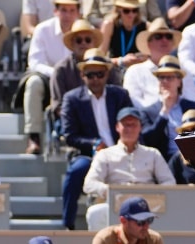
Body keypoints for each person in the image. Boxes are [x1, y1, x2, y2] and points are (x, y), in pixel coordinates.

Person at [60, 48, 132, 229]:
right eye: (90, 74)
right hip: (88, 155)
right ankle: (67, 225)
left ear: (107, 74)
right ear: (82, 75)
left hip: (121, 151)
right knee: (76, 172)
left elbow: (132, 123)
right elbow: (69, 135)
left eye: (99, 74)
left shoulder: (120, 95)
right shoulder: (72, 98)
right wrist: (93, 144)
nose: (95, 79)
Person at [82, 107, 172, 229]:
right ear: (117, 127)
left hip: (147, 205)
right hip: (116, 204)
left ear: (140, 127)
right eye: (125, 125)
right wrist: (110, 191)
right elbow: (89, 184)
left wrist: (153, 193)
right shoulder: (105, 154)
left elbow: (170, 182)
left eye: (133, 125)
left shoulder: (152, 154)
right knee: (95, 213)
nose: (129, 129)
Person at [18, 0, 80, 155]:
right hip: (48, 79)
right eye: (64, 10)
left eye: (72, 10)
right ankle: (34, 137)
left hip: (78, 80)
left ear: (78, 13)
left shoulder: (85, 30)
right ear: (55, 11)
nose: (67, 15)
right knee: (33, 83)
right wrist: (57, 74)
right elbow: (35, 63)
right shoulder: (42, 29)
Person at [135, 55, 195, 160]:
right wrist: (164, 111)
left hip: (194, 161)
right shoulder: (148, 111)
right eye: (161, 77)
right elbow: (147, 141)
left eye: (170, 77)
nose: (165, 81)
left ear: (179, 81)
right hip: (163, 163)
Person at [123, 17, 195, 109]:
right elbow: (134, 104)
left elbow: (194, 101)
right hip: (149, 121)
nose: (164, 40)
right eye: (158, 36)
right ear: (148, 43)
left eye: (168, 37)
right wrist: (162, 108)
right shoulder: (134, 71)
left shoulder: (183, 71)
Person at [49, 18, 113, 119]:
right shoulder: (61, 70)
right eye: (79, 40)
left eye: (88, 40)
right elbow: (59, 107)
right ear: (72, 44)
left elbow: (118, 98)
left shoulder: (108, 67)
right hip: (73, 122)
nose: (83, 43)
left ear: (94, 43)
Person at [100, 0, 148, 68]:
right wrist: (121, 61)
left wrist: (143, 57)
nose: (131, 15)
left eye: (134, 10)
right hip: (115, 69)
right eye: (126, 11)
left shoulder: (145, 26)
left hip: (137, 69)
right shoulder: (109, 25)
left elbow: (150, 56)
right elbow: (100, 57)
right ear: (119, 10)